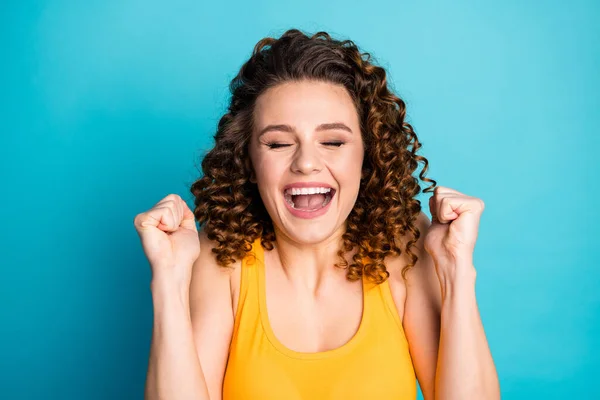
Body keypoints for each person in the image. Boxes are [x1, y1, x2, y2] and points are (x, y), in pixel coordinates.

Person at [134, 29, 500, 400]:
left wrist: (456, 270)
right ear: (249, 160)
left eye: (333, 142)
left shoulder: (403, 244)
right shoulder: (222, 254)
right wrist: (169, 281)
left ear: (367, 156)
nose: (306, 163)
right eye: (278, 143)